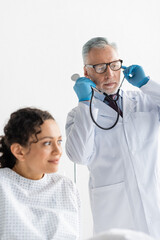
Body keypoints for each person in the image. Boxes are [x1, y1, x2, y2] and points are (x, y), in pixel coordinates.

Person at [65, 37, 160, 239]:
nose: (109, 74)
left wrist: (146, 83)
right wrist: (85, 103)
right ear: (86, 73)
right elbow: (79, 156)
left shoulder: (144, 100)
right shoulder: (78, 114)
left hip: (154, 203)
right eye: (100, 67)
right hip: (115, 212)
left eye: (114, 65)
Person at [0, 107, 80, 240]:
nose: (58, 151)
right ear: (19, 151)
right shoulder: (3, 186)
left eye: (59, 141)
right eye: (47, 143)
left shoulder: (67, 187)